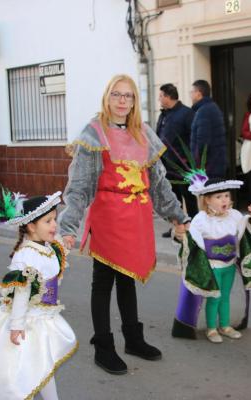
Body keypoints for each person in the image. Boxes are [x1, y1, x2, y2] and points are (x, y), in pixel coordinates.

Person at [58, 74, 189, 375]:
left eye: (127, 96)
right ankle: (104, 347)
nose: (121, 101)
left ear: (134, 101)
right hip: (107, 215)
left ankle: (134, 339)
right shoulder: (94, 133)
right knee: (103, 281)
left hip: (137, 218)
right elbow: (79, 187)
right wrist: (68, 227)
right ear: (107, 97)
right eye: (116, 94)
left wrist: (178, 216)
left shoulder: (144, 133)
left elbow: (158, 184)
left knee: (128, 277)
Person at [0, 192, 77, 400]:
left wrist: (65, 241)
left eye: (54, 219)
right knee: (27, 371)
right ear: (31, 226)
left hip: (45, 317)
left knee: (43, 366)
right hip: (29, 323)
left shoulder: (48, 247)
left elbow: (52, 264)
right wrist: (17, 325)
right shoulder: (26, 256)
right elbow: (21, 294)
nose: (54, 225)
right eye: (48, 221)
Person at [172, 175, 251, 342]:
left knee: (225, 297)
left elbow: (247, 234)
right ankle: (211, 329)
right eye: (218, 197)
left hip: (230, 266)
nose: (224, 199)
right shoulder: (201, 219)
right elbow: (191, 240)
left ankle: (225, 326)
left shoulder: (235, 216)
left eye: (226, 195)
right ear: (207, 200)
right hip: (212, 267)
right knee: (214, 297)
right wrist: (180, 233)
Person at [156, 83, 197, 237]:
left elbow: (194, 139)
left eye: (161, 96)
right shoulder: (164, 114)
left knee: (189, 197)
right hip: (167, 164)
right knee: (173, 197)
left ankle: (194, 228)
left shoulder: (187, 113)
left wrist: (191, 160)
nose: (159, 99)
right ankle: (177, 227)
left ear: (167, 96)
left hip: (184, 164)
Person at [190, 79, 227, 178]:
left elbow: (203, 142)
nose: (191, 95)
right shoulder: (211, 107)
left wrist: (198, 165)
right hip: (215, 164)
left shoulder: (204, 111)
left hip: (209, 167)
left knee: (210, 193)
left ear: (198, 94)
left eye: (192, 92)